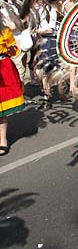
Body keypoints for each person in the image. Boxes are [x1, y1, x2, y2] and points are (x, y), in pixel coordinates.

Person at [0, 21, 25, 156]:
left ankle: (2, 140)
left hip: (3, 70)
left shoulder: (4, 31)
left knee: (1, 110)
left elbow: (15, 50)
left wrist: (11, 48)